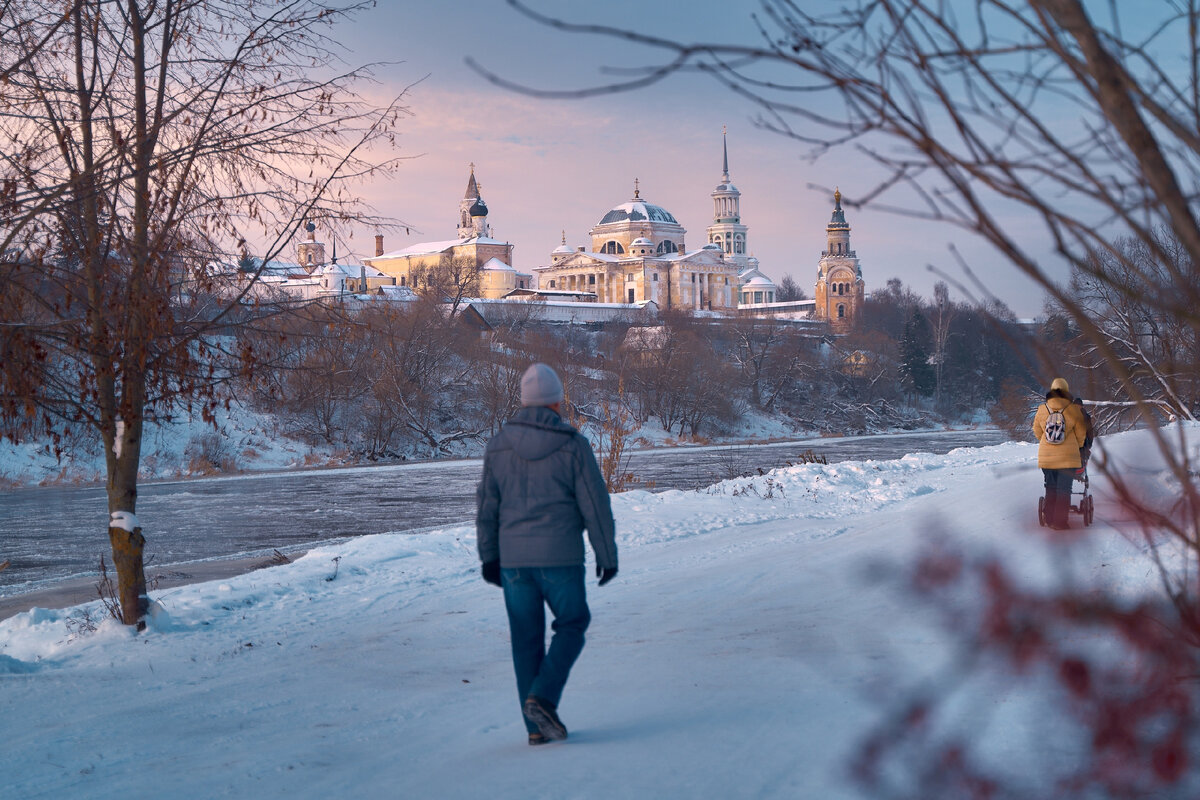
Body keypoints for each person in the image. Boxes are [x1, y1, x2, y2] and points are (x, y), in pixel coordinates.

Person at [476, 363, 618, 745]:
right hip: (560, 558)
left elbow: (487, 507)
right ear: (558, 401)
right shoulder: (573, 444)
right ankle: (543, 697)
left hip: (513, 564)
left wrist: (489, 556)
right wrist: (607, 554)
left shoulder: (498, 446)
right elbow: (595, 505)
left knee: (525, 640)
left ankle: (536, 729)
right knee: (572, 623)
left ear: (523, 402)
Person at [1032, 377, 1088, 530]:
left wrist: (1046, 441)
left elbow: (1036, 430)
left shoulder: (1042, 409)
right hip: (1068, 458)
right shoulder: (1073, 410)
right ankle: (1060, 522)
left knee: (1050, 487)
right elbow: (1081, 433)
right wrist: (1077, 446)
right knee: (1064, 489)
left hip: (1047, 457)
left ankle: (1049, 519)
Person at [1072, 396, 1095, 471]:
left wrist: (1090, 443)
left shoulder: (1086, 417)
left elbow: (1090, 431)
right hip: (1073, 441)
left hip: (1084, 442)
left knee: (1082, 460)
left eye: (1079, 405)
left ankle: (1081, 471)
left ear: (1082, 406)